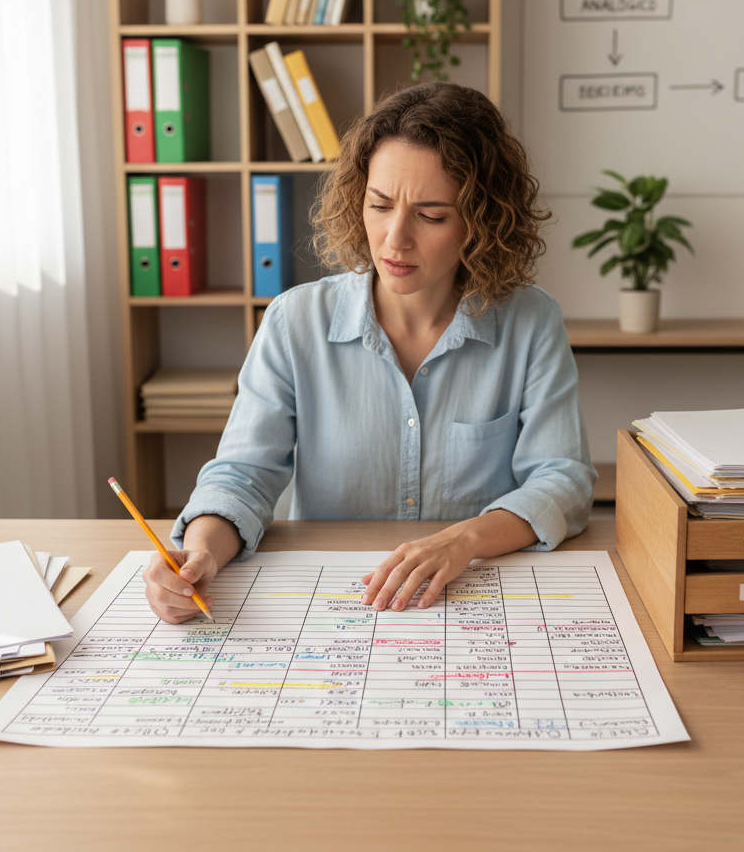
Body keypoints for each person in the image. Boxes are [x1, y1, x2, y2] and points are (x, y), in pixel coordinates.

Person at [144, 82, 596, 623]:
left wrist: (462, 540)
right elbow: (241, 476)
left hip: (471, 596)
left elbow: (563, 480)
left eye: (431, 216)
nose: (394, 240)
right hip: (335, 604)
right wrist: (199, 557)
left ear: (483, 221)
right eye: (379, 205)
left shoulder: (530, 321)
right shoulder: (295, 321)